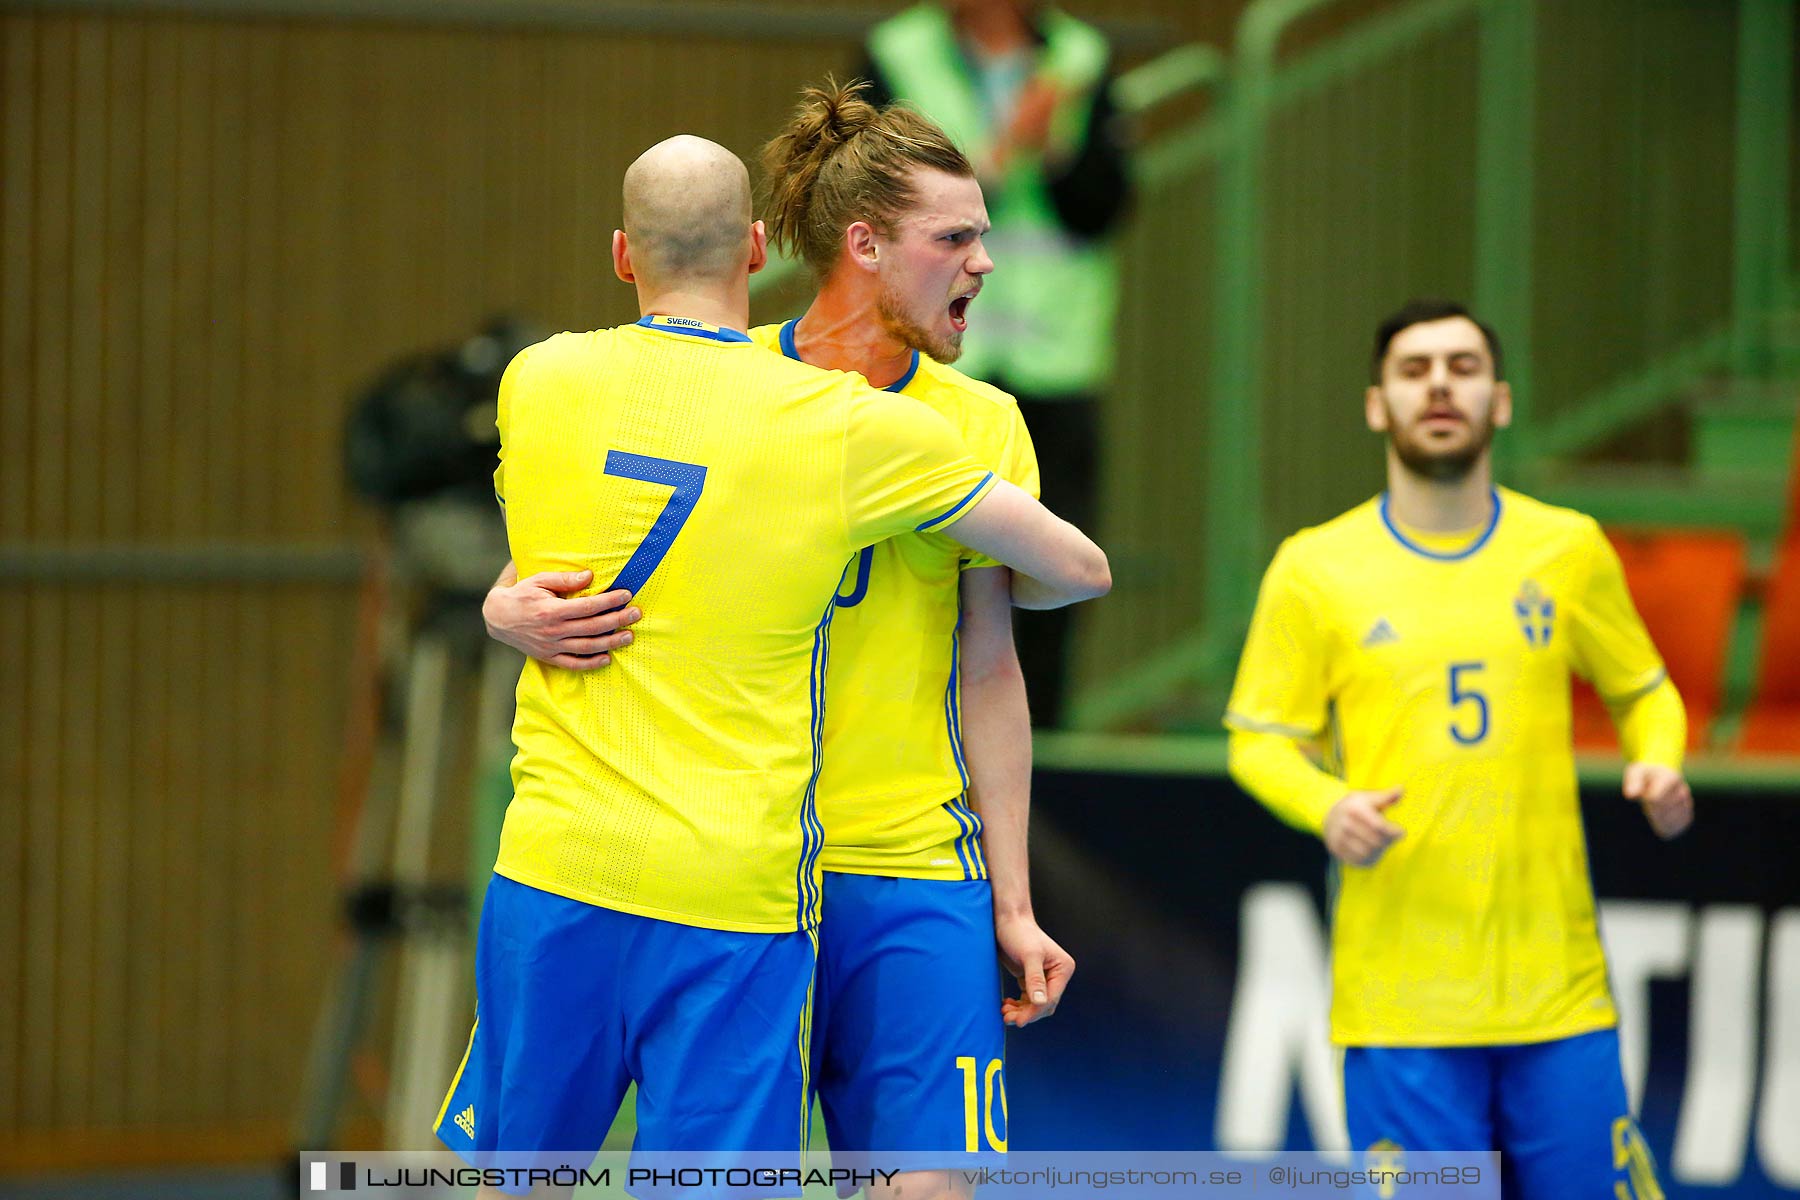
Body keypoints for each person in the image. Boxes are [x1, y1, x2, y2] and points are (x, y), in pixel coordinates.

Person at [433, 134, 1109, 1200]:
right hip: (746, 873)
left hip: (902, 861)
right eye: (957, 238)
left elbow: (991, 667)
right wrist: (503, 606)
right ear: (861, 247)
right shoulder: (728, 386)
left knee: (930, 1186)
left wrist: (1013, 903)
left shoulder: (983, 425)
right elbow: (589, 545)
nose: (985, 262)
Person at [1224, 299, 1692, 1198]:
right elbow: (1258, 741)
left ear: (1501, 402)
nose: (1439, 384)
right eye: (1413, 368)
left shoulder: (1568, 549)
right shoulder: (1315, 568)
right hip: (1402, 1006)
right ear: (1377, 406)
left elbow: (1645, 689)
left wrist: (1660, 757)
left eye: (1463, 367)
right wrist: (1328, 806)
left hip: (1558, 994)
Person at [856, 0, 1133, 727]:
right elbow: (873, 199)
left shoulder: (1081, 57)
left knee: (1046, 575)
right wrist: (1007, 148)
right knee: (923, 564)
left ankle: (1040, 757)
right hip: (929, 359)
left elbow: (1104, 206)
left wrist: (1056, 151)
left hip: (1054, 356)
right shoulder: (897, 52)